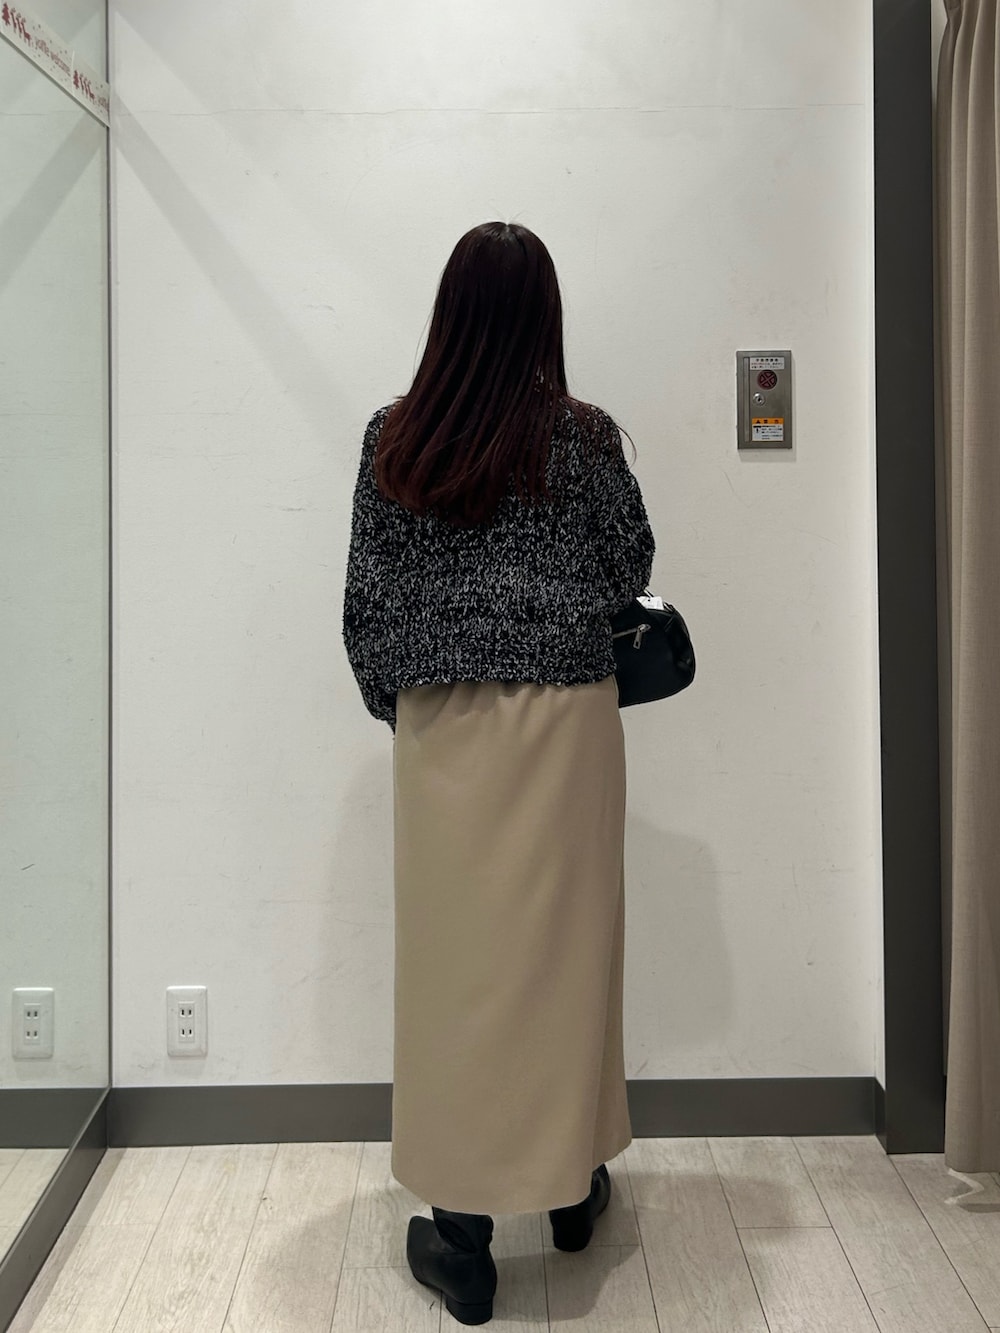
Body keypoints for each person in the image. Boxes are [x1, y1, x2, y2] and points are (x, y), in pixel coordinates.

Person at [342, 220, 656, 1326]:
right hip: (568, 722)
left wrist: (407, 709)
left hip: (446, 731)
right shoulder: (584, 438)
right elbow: (629, 563)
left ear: (450, 312)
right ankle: (570, 1189)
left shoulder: (396, 437)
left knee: (456, 976)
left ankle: (465, 1239)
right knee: (568, 956)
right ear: (542, 317)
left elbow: (368, 604)